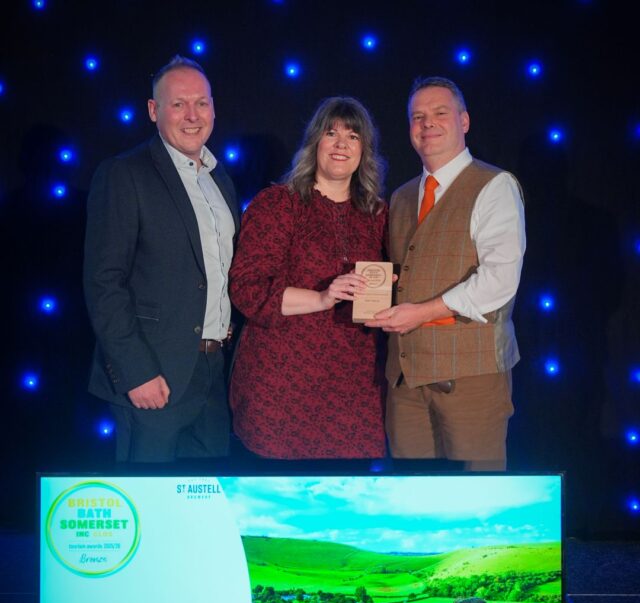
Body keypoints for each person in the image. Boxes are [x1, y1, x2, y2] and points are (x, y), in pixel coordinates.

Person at [83, 55, 239, 461]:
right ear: (154, 111)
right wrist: (137, 372)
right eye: (178, 104)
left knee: (204, 506)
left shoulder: (221, 180)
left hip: (210, 372)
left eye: (201, 103)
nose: (192, 115)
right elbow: (104, 283)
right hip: (154, 377)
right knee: (150, 508)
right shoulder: (124, 174)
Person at [365, 77, 525, 471]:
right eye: (417, 117)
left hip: (471, 378)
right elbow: (406, 274)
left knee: (477, 502)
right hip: (405, 381)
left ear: (464, 121)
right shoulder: (402, 197)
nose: (427, 124)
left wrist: (419, 312)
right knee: (416, 504)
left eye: (440, 113)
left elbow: (499, 281)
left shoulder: (494, 185)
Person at [228, 97, 387, 459]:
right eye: (331, 133)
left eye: (353, 136)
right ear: (315, 143)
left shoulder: (378, 214)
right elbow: (247, 288)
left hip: (353, 392)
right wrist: (321, 298)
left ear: (365, 150)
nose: (341, 144)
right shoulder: (278, 204)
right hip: (281, 389)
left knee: (348, 506)